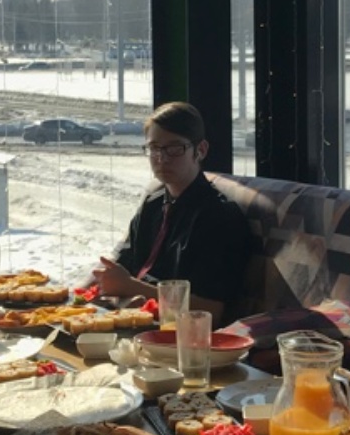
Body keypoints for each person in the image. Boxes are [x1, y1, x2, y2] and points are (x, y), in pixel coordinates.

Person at [93, 102, 253, 323]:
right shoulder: (153, 203)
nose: (162, 158)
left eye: (175, 148)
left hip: (183, 332)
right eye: (154, 148)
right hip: (134, 318)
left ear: (200, 150)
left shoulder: (220, 217)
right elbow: (121, 267)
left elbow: (210, 309)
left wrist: (131, 287)